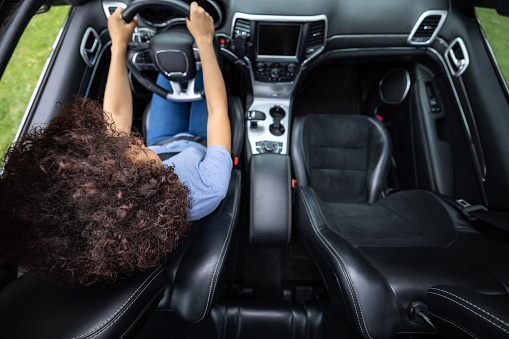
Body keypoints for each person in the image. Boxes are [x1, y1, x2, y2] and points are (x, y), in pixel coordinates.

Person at [0, 2, 231, 286]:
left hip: (163, 138)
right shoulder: (207, 191)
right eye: (135, 148)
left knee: (167, 74)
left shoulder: (117, 184)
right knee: (195, 75)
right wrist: (205, 42)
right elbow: (218, 110)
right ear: (143, 186)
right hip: (202, 141)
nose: (133, 138)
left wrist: (119, 45)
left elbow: (115, 117)